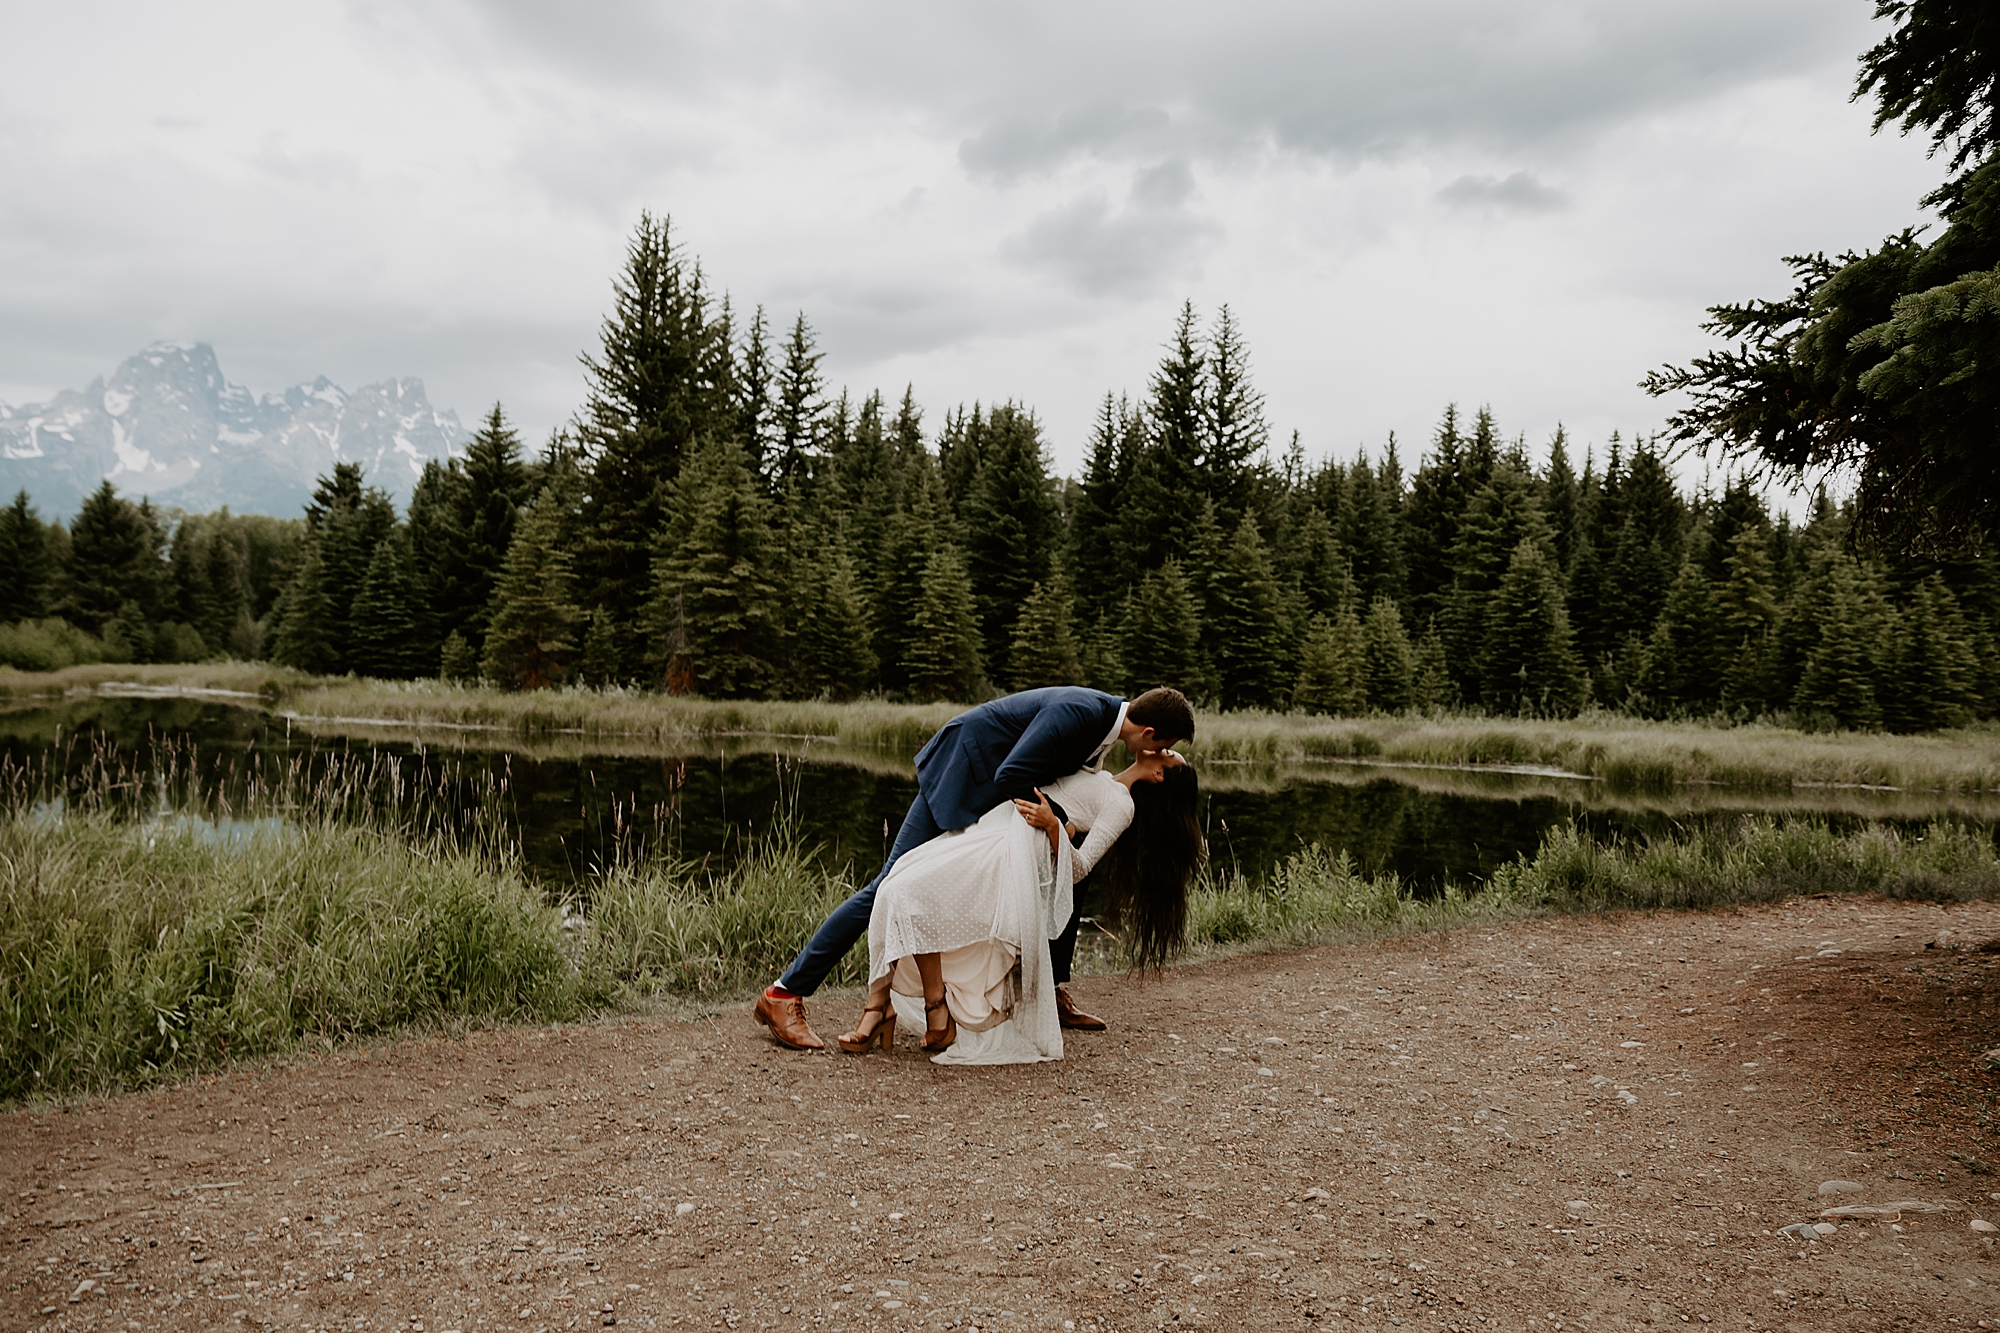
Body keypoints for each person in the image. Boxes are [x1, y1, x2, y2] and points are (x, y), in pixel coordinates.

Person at [753, 685, 1195, 1050]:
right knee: (889, 886)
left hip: (983, 793)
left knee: (1056, 868)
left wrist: (1059, 827)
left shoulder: (1101, 729)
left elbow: (1067, 807)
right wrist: (1051, 823)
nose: (1163, 753)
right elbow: (1012, 774)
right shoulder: (1080, 714)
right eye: (1166, 746)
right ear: (1150, 734)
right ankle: (784, 993)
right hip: (962, 774)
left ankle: (1044, 989)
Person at [836, 748, 1200, 1063]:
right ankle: (899, 1008)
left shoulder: (1122, 805)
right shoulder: (1101, 772)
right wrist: (1063, 823)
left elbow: (1080, 868)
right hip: (996, 827)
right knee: (899, 885)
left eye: (1168, 753)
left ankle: (909, 1011)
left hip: (1014, 851)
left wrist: (1053, 825)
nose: (1163, 748)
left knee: (913, 889)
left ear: (1158, 775)